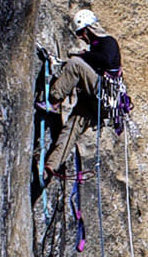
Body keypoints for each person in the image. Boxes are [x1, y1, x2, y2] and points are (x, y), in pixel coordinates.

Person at [40, 9, 122, 176]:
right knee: (72, 127)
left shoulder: (108, 42)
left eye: (81, 32)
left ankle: (54, 101)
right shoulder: (96, 47)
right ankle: (52, 165)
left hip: (103, 94)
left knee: (76, 63)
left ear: (89, 29)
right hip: (95, 100)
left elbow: (105, 60)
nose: (80, 37)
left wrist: (83, 56)